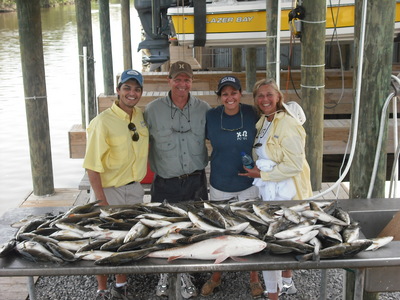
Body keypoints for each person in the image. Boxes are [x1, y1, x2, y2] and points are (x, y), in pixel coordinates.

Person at [239, 78, 312, 300]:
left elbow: (294, 165)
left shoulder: (288, 124)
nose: (265, 99)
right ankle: (285, 284)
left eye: (269, 94)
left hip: (289, 196)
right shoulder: (263, 122)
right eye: (260, 96)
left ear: (279, 97)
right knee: (280, 243)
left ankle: (275, 293)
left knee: (275, 245)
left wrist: (261, 174)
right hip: (270, 194)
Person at [144, 61, 211, 299]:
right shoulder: (151, 110)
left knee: (194, 228)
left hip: (196, 181)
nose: (182, 84)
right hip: (165, 182)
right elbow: (137, 141)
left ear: (192, 82)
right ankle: (166, 272)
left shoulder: (204, 108)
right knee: (165, 229)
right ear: (169, 81)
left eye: (187, 79)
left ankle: (185, 272)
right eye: (177, 79)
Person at [83, 69, 149, 300]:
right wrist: (101, 199)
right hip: (109, 190)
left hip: (134, 189)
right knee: (102, 239)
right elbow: (91, 165)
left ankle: (121, 285)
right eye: (127, 88)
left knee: (126, 238)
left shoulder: (139, 115)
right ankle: (102, 289)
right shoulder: (102, 122)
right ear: (118, 90)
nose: (132, 93)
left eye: (137, 88)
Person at [200, 75, 263, 298]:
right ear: (219, 97)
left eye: (233, 92)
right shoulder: (211, 116)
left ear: (240, 94)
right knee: (221, 231)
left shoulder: (252, 113)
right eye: (225, 94)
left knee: (251, 230)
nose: (230, 97)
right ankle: (216, 276)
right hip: (220, 183)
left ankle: (254, 277)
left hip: (249, 183)